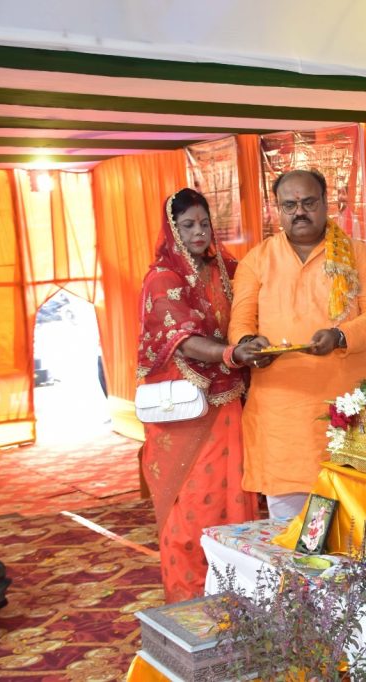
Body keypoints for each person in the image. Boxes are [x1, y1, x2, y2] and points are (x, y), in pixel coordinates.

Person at [229, 169, 366, 520]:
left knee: (351, 518)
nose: (299, 212)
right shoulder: (258, 259)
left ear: (326, 203)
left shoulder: (357, 255)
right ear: (276, 209)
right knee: (289, 528)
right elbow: (240, 321)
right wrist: (248, 345)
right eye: (289, 205)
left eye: (308, 202)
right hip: (280, 415)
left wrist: (340, 336)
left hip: (344, 409)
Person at [137, 188, 258, 603]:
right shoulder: (162, 278)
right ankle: (188, 602)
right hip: (186, 415)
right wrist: (231, 354)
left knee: (233, 504)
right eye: (188, 225)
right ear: (172, 229)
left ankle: (236, 599)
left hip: (228, 405)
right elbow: (184, 339)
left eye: (204, 223)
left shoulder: (223, 267)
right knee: (190, 512)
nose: (198, 232)